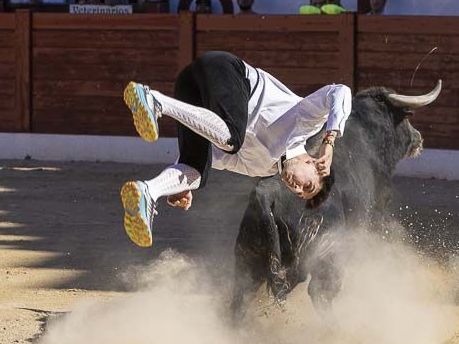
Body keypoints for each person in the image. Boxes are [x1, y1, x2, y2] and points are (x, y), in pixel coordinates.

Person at [119, 51, 352, 247]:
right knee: (232, 139)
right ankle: (157, 101)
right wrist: (330, 139)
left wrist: (182, 183)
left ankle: (148, 192)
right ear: (313, 163)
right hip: (226, 69)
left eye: (299, 193)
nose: (296, 187)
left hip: (190, 87)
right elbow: (340, 91)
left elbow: (211, 155)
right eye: (307, 185)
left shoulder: (260, 168)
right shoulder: (305, 124)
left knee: (198, 172)